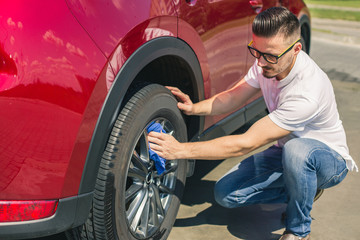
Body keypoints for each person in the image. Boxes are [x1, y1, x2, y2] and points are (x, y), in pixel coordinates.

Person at [148, 7, 357, 240]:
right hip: (284, 154)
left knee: (297, 151)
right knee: (225, 194)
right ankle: (303, 191)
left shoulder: (307, 92)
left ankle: (298, 230)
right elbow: (233, 96)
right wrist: (194, 107)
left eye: (269, 56)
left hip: (326, 160)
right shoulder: (265, 61)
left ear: (296, 49)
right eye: (255, 51)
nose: (260, 61)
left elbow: (245, 143)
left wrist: (180, 150)